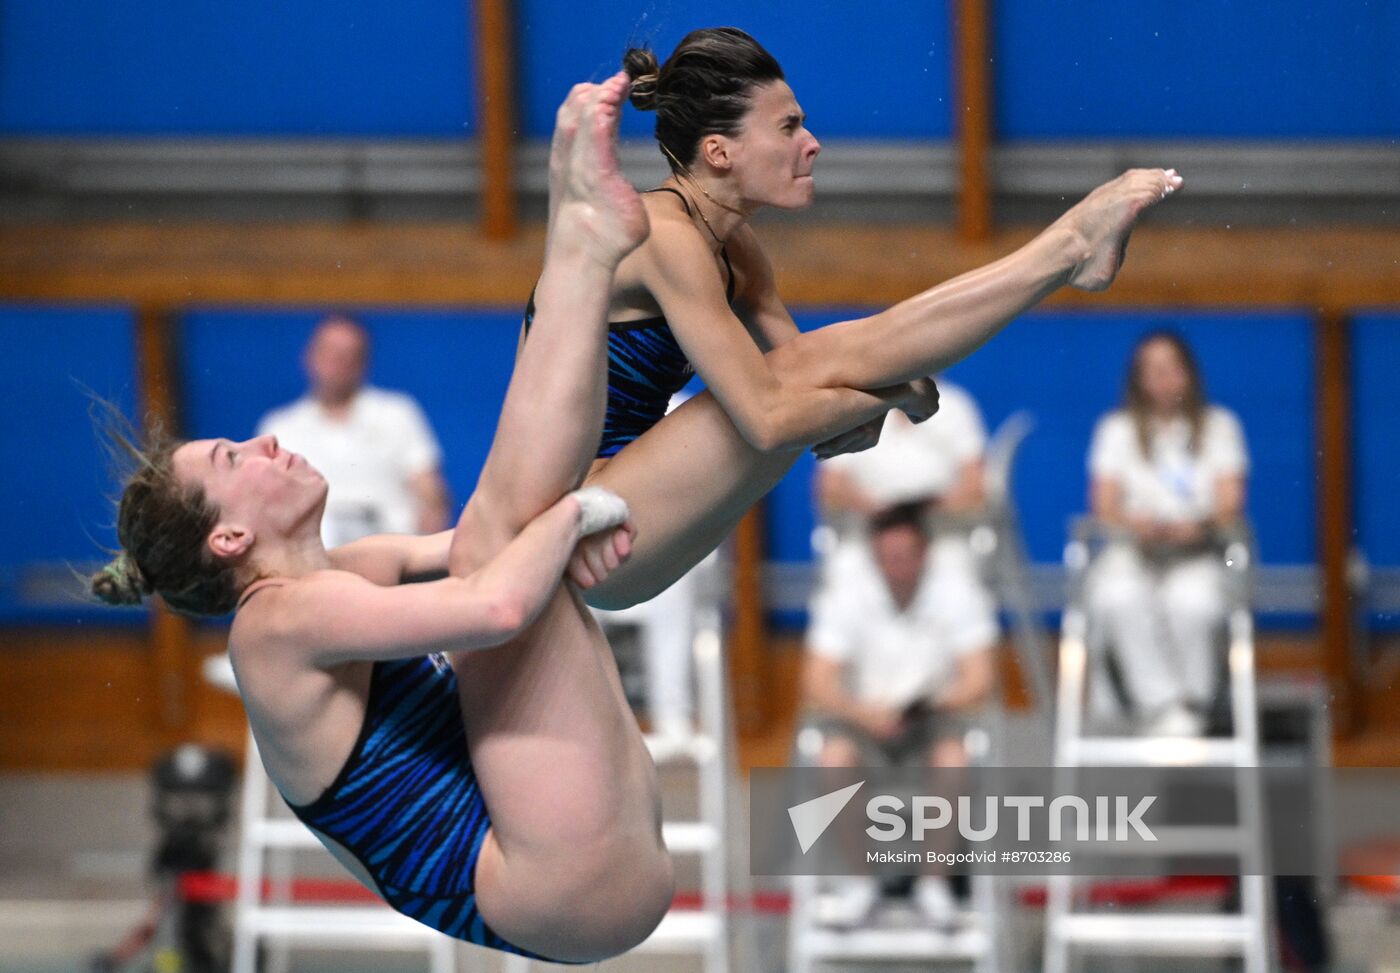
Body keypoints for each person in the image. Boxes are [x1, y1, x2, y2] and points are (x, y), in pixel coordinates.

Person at [91, 76, 673, 963]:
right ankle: (579, 248)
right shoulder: (277, 622)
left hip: (589, 855)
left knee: (516, 514)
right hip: (559, 885)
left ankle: (585, 253)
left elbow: (472, 537)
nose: (263, 441)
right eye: (232, 459)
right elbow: (493, 608)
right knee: (520, 527)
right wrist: (578, 514)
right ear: (230, 538)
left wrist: (577, 506)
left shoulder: (343, 573)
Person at [538, 27, 1185, 614]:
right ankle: (1068, 247)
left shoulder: (736, 252)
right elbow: (770, 419)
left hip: (636, 517)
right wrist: (890, 392)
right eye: (788, 127)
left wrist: (874, 396)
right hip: (582, 526)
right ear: (719, 151)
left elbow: (822, 421)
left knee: (806, 370)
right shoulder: (665, 236)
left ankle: (1068, 252)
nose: (812, 143)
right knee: (792, 379)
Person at [802, 504, 996, 927]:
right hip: (863, 722)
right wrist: (865, 713)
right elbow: (816, 682)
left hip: (931, 721)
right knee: (832, 757)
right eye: (888, 557)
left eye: (906, 556)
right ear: (874, 557)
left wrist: (935, 703)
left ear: (925, 554)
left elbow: (980, 678)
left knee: (953, 757)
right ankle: (860, 882)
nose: (897, 567)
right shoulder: (846, 595)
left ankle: (933, 884)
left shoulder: (957, 593)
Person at [1083, 331, 1249, 736]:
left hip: (1198, 552)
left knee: (1193, 604)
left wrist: (1198, 525)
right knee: (1115, 597)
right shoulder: (1116, 429)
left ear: (1188, 373)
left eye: (1171, 368)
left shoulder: (1220, 426)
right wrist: (1135, 524)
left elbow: (1230, 501)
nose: (1162, 379)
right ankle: (1156, 704)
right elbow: (1104, 505)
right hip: (1133, 552)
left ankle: (1193, 704)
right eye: (1152, 370)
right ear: (1138, 378)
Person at [257, 315, 451, 548]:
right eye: (330, 352)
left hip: (393, 553)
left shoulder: (397, 413)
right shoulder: (279, 426)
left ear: (364, 362)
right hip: (315, 559)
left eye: (349, 355)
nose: (338, 362)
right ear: (309, 356)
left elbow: (431, 494)